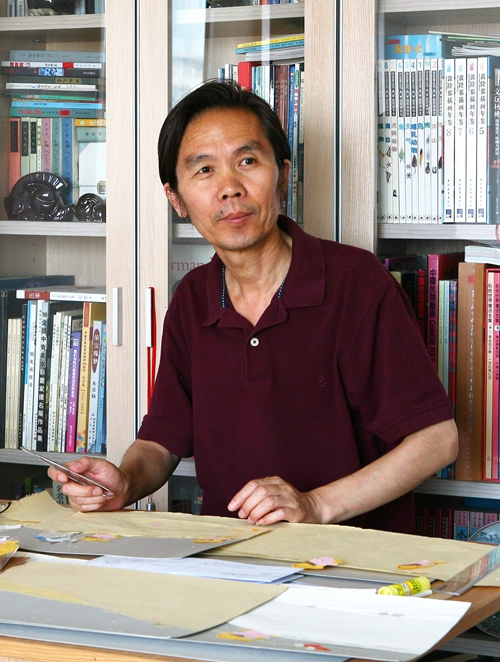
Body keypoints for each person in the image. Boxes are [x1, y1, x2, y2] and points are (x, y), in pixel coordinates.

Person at [48, 80, 458, 533]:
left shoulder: (357, 284)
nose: (230, 188)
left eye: (247, 161)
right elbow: (162, 442)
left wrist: (315, 505)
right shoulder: (192, 298)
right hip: (225, 557)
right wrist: (124, 482)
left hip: (350, 562)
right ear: (176, 199)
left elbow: (436, 440)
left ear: (283, 175)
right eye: (204, 170)